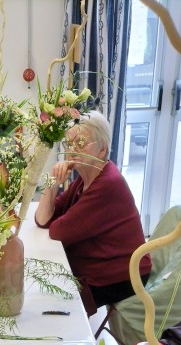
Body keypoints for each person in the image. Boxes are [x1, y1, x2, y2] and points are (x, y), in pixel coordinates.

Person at [35, 111, 152, 329]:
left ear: (102, 149)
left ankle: (68, 341)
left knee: (56, 298)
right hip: (108, 262)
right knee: (46, 281)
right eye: (69, 143)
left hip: (126, 274)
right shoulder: (85, 178)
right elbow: (43, 219)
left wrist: (54, 193)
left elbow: (58, 231)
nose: (72, 149)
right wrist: (52, 181)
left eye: (80, 143)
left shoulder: (107, 184)